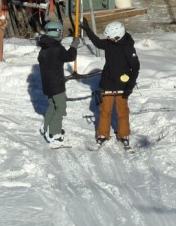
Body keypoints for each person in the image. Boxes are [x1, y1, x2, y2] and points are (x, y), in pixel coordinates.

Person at [80, 19, 140, 148]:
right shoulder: (109, 44)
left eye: (110, 38)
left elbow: (135, 68)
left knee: (122, 111)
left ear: (118, 36)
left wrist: (130, 86)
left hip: (122, 85)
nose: (108, 40)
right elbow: (97, 43)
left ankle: (124, 134)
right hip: (108, 82)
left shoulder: (128, 48)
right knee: (105, 110)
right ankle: (103, 134)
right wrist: (88, 30)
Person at [36, 19, 80, 147]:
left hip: (48, 83)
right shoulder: (56, 47)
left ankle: (46, 127)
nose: (62, 35)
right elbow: (69, 57)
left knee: (52, 105)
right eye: (61, 32)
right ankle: (54, 135)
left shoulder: (44, 48)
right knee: (60, 108)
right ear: (56, 33)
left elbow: (51, 64)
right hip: (56, 84)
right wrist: (74, 46)